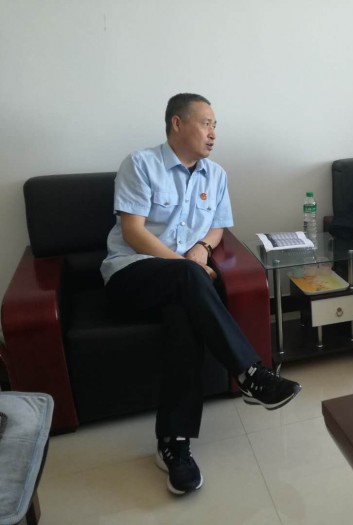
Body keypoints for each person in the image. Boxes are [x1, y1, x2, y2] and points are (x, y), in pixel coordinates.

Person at [100, 93, 301, 495]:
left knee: (182, 316)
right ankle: (249, 373)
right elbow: (133, 233)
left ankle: (174, 444)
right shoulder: (140, 164)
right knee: (188, 280)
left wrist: (203, 248)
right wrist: (185, 264)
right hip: (131, 275)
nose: (213, 133)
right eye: (206, 123)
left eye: (215, 126)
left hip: (182, 283)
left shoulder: (216, 175)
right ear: (177, 124)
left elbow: (218, 226)